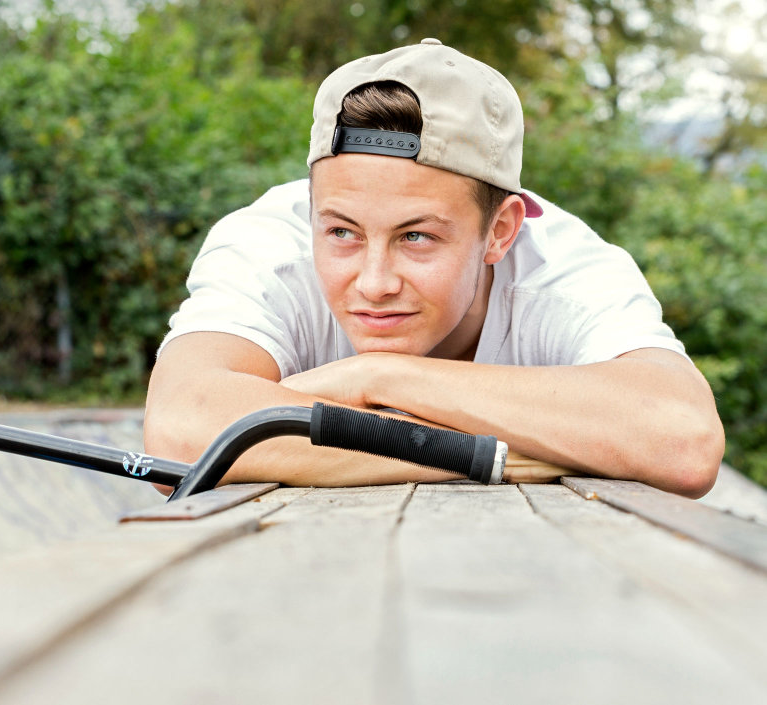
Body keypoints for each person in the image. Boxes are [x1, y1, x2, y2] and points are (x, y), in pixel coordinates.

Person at [144, 39, 724, 497]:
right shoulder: (269, 245)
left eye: (416, 237)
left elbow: (682, 439)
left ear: (500, 231)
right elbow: (182, 430)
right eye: (341, 232)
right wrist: (518, 447)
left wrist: (377, 379)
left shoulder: (567, 273)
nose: (373, 283)